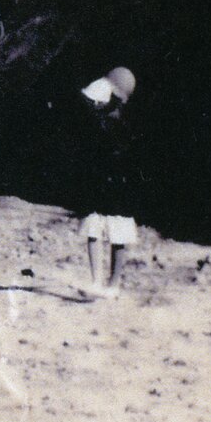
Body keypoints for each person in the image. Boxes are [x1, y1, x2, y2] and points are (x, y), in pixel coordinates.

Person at [78, 66, 138, 297]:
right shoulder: (103, 118)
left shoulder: (117, 121)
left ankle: (111, 284)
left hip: (115, 181)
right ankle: (100, 282)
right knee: (97, 229)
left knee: (117, 232)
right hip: (105, 179)